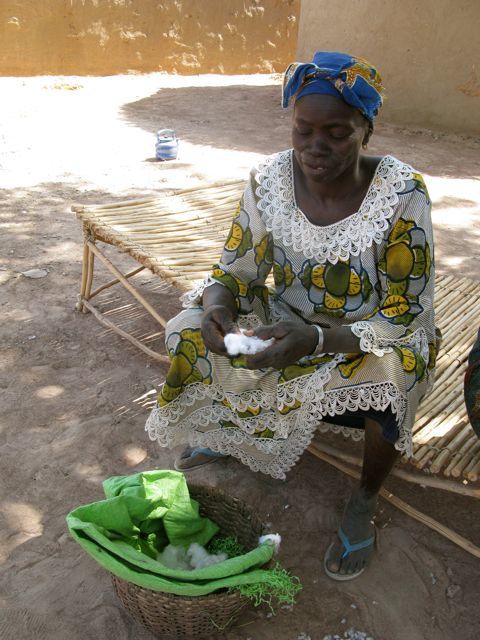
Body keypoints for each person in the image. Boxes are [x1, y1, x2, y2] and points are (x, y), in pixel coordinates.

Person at [146, 52, 437, 580]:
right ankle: (233, 430)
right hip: (287, 321)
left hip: (366, 335)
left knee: (389, 378)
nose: (314, 147)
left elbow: (407, 313)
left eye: (336, 132)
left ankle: (364, 500)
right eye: (303, 129)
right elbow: (234, 272)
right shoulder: (268, 181)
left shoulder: (402, 194)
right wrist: (217, 310)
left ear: (365, 130)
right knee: (190, 331)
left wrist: (321, 340)